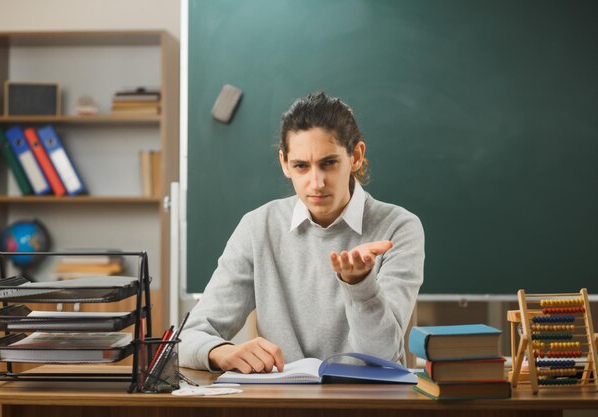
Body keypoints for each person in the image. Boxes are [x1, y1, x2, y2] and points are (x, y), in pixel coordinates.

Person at [178, 92, 424, 373]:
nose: (316, 183)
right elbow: (187, 338)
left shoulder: (399, 227)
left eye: (328, 163)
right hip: (284, 404)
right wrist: (220, 352)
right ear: (285, 163)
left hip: (367, 405)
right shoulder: (258, 227)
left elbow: (380, 355)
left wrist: (360, 286)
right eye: (301, 166)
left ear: (355, 157)